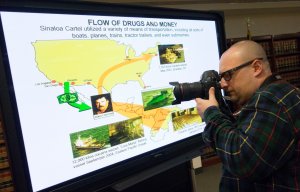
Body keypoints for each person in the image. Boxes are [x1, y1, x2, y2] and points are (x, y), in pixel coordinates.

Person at [195, 40, 300, 191]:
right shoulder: (281, 92)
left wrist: (211, 114)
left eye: (228, 75)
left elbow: (242, 160)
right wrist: (220, 109)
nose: (223, 84)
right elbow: (241, 137)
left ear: (256, 67)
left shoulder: (271, 100)